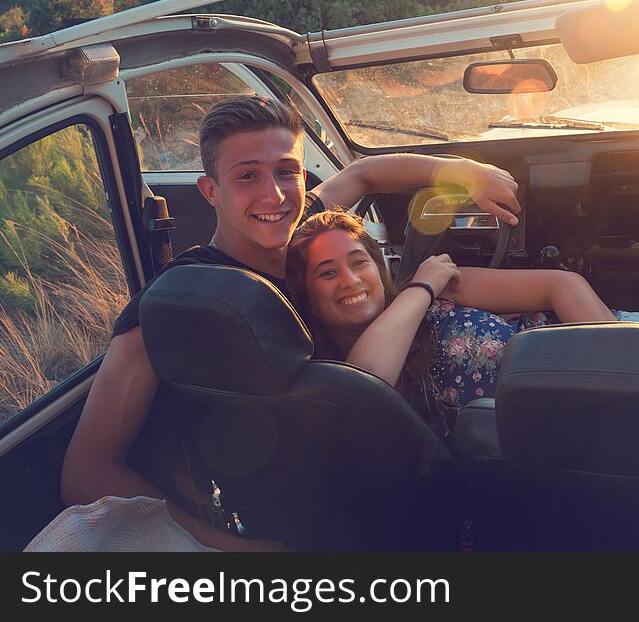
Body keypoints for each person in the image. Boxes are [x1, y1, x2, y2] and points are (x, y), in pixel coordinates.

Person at [60, 96, 522, 551]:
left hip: (389, 478)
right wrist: (229, 551)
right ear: (210, 191)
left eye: (286, 171)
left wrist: (468, 172)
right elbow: (87, 471)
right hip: (302, 523)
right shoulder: (180, 302)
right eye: (247, 176)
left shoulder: (303, 236)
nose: (274, 195)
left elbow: (364, 173)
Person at [286, 211, 639, 439]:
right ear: (307, 293)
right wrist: (418, 289)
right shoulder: (340, 370)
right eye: (327, 272)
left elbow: (559, 287)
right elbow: (371, 379)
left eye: (359, 261)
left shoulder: (442, 287)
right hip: (577, 429)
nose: (351, 280)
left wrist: (627, 369)